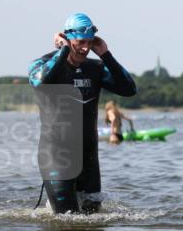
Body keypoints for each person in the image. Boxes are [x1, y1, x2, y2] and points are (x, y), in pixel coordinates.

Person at [29, 13, 137, 213]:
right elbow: (40, 82)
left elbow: (130, 89)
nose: (86, 48)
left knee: (93, 222)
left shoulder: (95, 69)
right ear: (67, 39)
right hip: (57, 157)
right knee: (66, 221)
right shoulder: (42, 65)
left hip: (88, 158)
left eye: (89, 42)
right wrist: (62, 52)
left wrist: (106, 54)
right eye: (80, 42)